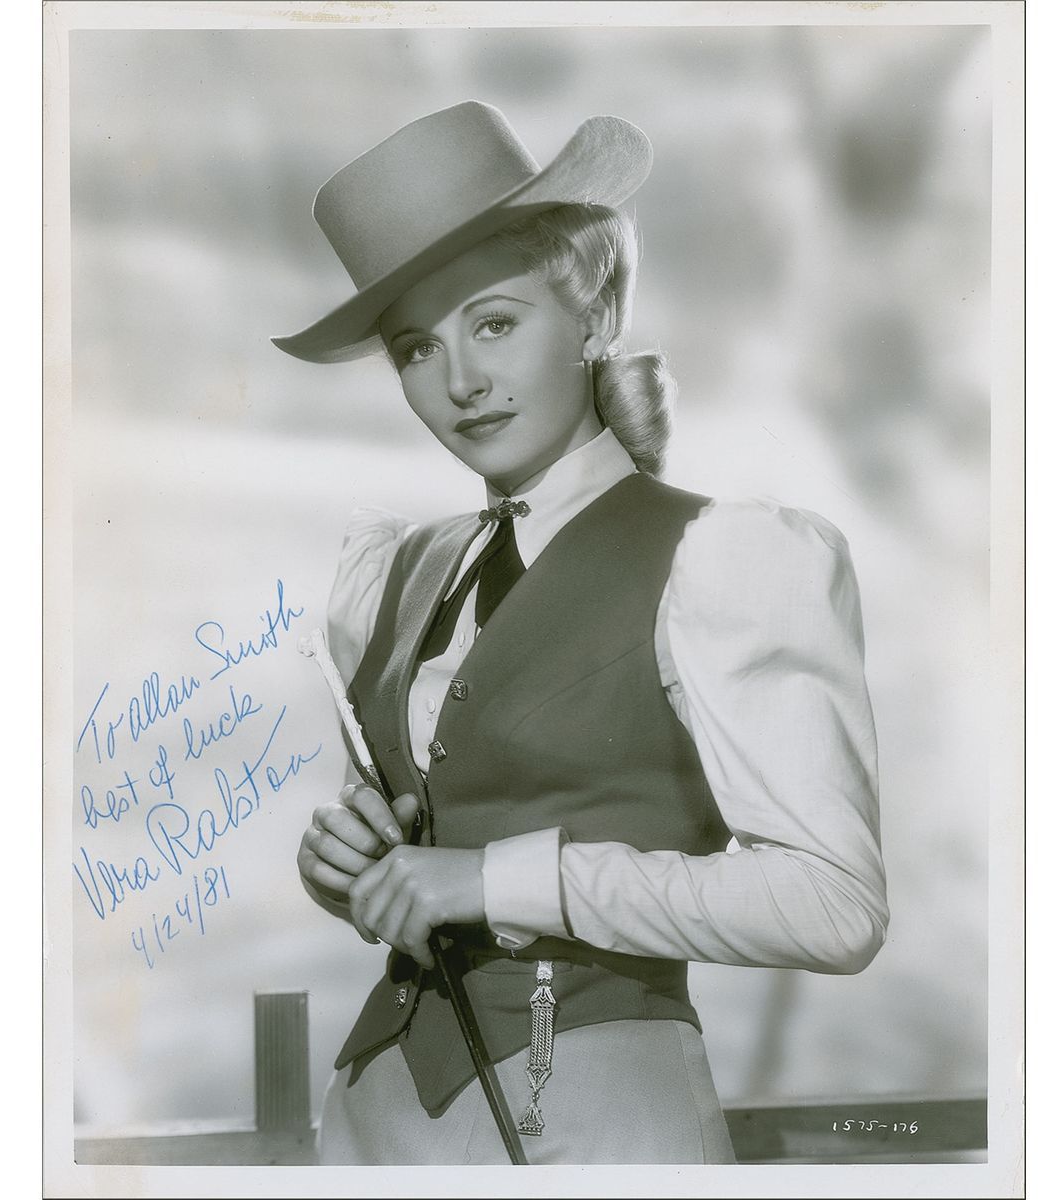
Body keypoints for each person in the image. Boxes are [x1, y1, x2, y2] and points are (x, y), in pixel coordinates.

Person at [275, 101, 888, 1166]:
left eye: (495, 323)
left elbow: (835, 906)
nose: (460, 382)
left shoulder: (723, 557)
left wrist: (496, 881)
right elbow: (409, 858)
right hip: (374, 1127)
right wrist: (348, 869)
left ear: (593, 312)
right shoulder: (394, 576)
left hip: (598, 1126)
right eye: (418, 348)